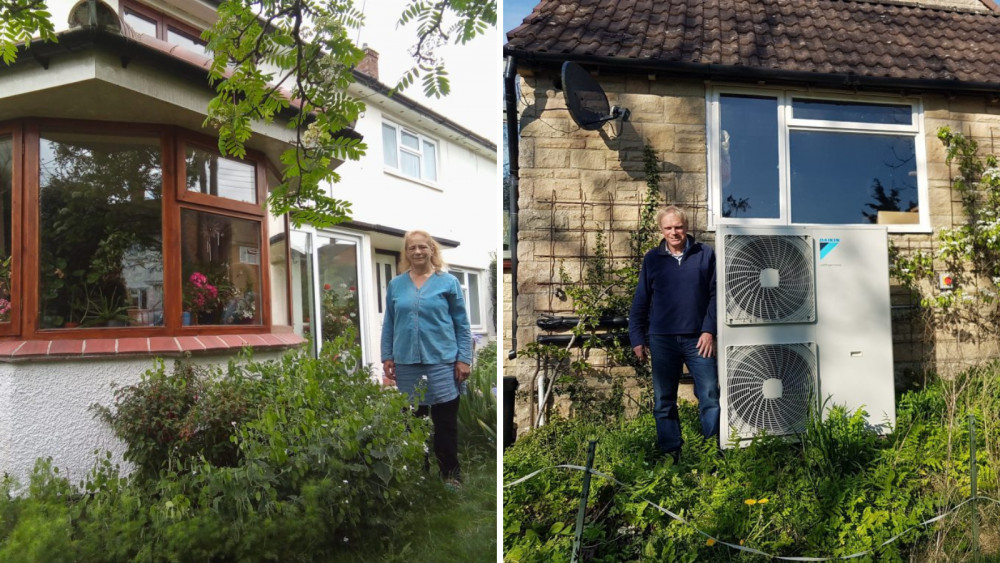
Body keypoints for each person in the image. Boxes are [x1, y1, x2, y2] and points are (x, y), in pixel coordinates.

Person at [381, 230, 472, 487]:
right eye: (412, 248)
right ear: (406, 253)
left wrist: (463, 358)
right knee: (412, 422)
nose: (418, 252)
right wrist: (387, 355)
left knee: (445, 423)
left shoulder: (448, 282)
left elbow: (462, 325)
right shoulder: (396, 285)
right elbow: (390, 321)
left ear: (432, 250)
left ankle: (450, 476)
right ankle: (418, 476)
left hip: (442, 362)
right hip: (407, 363)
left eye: (423, 247)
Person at [628, 205, 720, 462]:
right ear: (661, 230)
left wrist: (709, 330)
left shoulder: (705, 254)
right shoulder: (652, 259)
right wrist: (637, 338)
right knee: (664, 400)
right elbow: (641, 301)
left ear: (686, 227)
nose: (674, 232)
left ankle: (710, 451)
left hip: (698, 339)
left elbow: (715, 296)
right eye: (668, 228)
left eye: (678, 227)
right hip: (662, 340)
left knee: (710, 395)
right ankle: (672, 453)